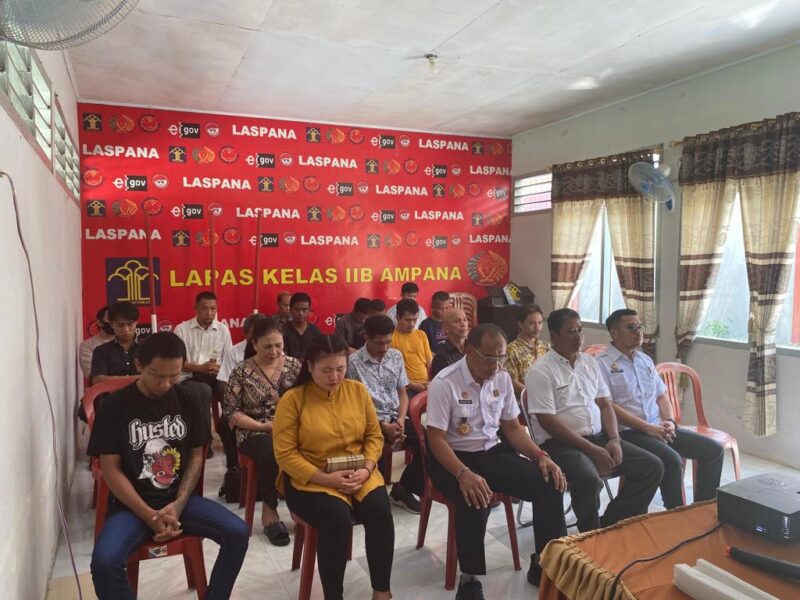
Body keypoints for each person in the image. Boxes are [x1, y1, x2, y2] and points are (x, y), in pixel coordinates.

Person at [89, 332, 248, 600]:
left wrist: (179, 504)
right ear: (139, 365)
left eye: (174, 375)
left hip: (180, 502)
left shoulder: (189, 399)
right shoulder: (114, 406)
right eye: (157, 375)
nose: (165, 384)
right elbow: (111, 470)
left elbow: (196, 457)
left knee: (238, 533)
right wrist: (148, 515)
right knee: (104, 563)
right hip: (132, 507)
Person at [427, 324, 567, 599]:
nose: (496, 366)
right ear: (470, 351)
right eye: (490, 358)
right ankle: (469, 580)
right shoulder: (445, 382)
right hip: (453, 458)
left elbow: (512, 428)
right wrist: (463, 473)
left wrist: (540, 455)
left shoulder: (501, 378)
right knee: (474, 497)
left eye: (500, 358)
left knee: (549, 482)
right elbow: (437, 439)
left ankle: (544, 564)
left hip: (492, 453)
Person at [273, 335, 394, 600]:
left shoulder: (357, 391)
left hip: (359, 472)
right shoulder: (293, 400)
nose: (335, 377)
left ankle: (382, 591)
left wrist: (367, 468)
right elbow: (286, 454)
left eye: (340, 368)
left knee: (380, 512)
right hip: (311, 479)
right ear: (309, 366)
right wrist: (328, 480)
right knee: (336, 518)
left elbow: (374, 436)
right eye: (326, 370)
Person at [526, 308, 663, 533]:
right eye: (571, 331)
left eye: (580, 330)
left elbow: (605, 404)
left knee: (651, 466)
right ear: (554, 336)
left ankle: (609, 525)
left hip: (597, 437)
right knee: (589, 480)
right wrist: (592, 449)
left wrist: (614, 439)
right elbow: (547, 421)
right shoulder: (541, 370)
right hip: (559, 443)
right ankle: (589, 535)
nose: (578, 336)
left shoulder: (589, 363)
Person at [596, 309, 724, 509]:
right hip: (629, 432)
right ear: (614, 333)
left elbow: (661, 396)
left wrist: (670, 421)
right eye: (631, 327)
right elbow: (608, 405)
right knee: (671, 460)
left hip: (658, 426)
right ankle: (676, 513)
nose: (638, 331)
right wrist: (646, 427)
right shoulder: (601, 364)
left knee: (713, 450)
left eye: (640, 327)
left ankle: (702, 510)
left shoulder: (644, 360)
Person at [222, 318, 301, 545]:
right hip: (253, 431)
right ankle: (270, 509)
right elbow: (231, 411)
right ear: (254, 344)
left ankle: (301, 506)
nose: (274, 352)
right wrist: (262, 426)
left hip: (290, 427)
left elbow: (306, 399)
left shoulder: (294, 366)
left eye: (278, 345)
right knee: (272, 451)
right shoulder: (242, 371)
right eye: (267, 346)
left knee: (312, 445)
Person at [347, 314, 424, 513]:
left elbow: (402, 393)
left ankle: (403, 489)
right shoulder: (354, 362)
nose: (384, 348)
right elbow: (355, 406)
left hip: (396, 416)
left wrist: (401, 419)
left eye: (388, 342)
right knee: (374, 448)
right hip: (369, 421)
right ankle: (371, 498)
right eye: (379, 343)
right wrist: (383, 426)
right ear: (367, 337)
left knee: (428, 443)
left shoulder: (395, 356)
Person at [174, 291, 234, 468]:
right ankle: (203, 443)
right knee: (202, 391)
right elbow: (178, 363)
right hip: (190, 376)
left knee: (230, 390)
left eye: (213, 309)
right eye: (205, 308)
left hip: (216, 375)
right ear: (196, 308)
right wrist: (201, 368)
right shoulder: (182, 329)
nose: (209, 313)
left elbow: (228, 360)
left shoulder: (223, 329)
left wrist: (218, 369)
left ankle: (230, 437)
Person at [90, 301, 140, 385]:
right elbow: (97, 380)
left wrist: (113, 380)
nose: (126, 329)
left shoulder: (149, 348)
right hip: (111, 394)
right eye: (120, 325)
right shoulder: (101, 351)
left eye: (130, 324)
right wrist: (137, 379)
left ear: (136, 322)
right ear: (111, 324)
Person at [505, 305, 549, 399]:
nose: (537, 328)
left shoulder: (546, 347)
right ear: (520, 324)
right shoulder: (511, 350)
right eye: (532, 323)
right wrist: (535, 396)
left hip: (548, 397)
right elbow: (512, 381)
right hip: (524, 400)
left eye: (540, 323)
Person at [390, 299, 432, 396]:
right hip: (405, 388)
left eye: (415, 319)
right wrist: (413, 385)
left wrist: (432, 381)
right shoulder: (391, 338)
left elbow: (430, 363)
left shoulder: (421, 334)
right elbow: (393, 372)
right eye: (408, 320)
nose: (412, 324)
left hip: (427, 385)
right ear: (397, 318)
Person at [217, 312, 269, 386]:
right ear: (246, 333)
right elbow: (224, 382)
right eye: (255, 334)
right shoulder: (233, 353)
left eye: (262, 334)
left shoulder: (275, 351)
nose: (259, 338)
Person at [430, 308, 469, 379]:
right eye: (457, 321)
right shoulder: (441, 357)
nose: (463, 324)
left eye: (465, 320)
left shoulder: (474, 348)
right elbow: (439, 383)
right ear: (445, 327)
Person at [282, 292, 322, 360]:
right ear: (290, 309)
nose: (301, 313)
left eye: (304, 310)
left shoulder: (315, 331)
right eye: (297, 309)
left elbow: (320, 355)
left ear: (309, 310)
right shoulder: (283, 331)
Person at [80, 305, 114, 379]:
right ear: (100, 323)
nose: (114, 324)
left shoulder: (126, 343)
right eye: (110, 320)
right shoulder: (88, 345)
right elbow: (92, 375)